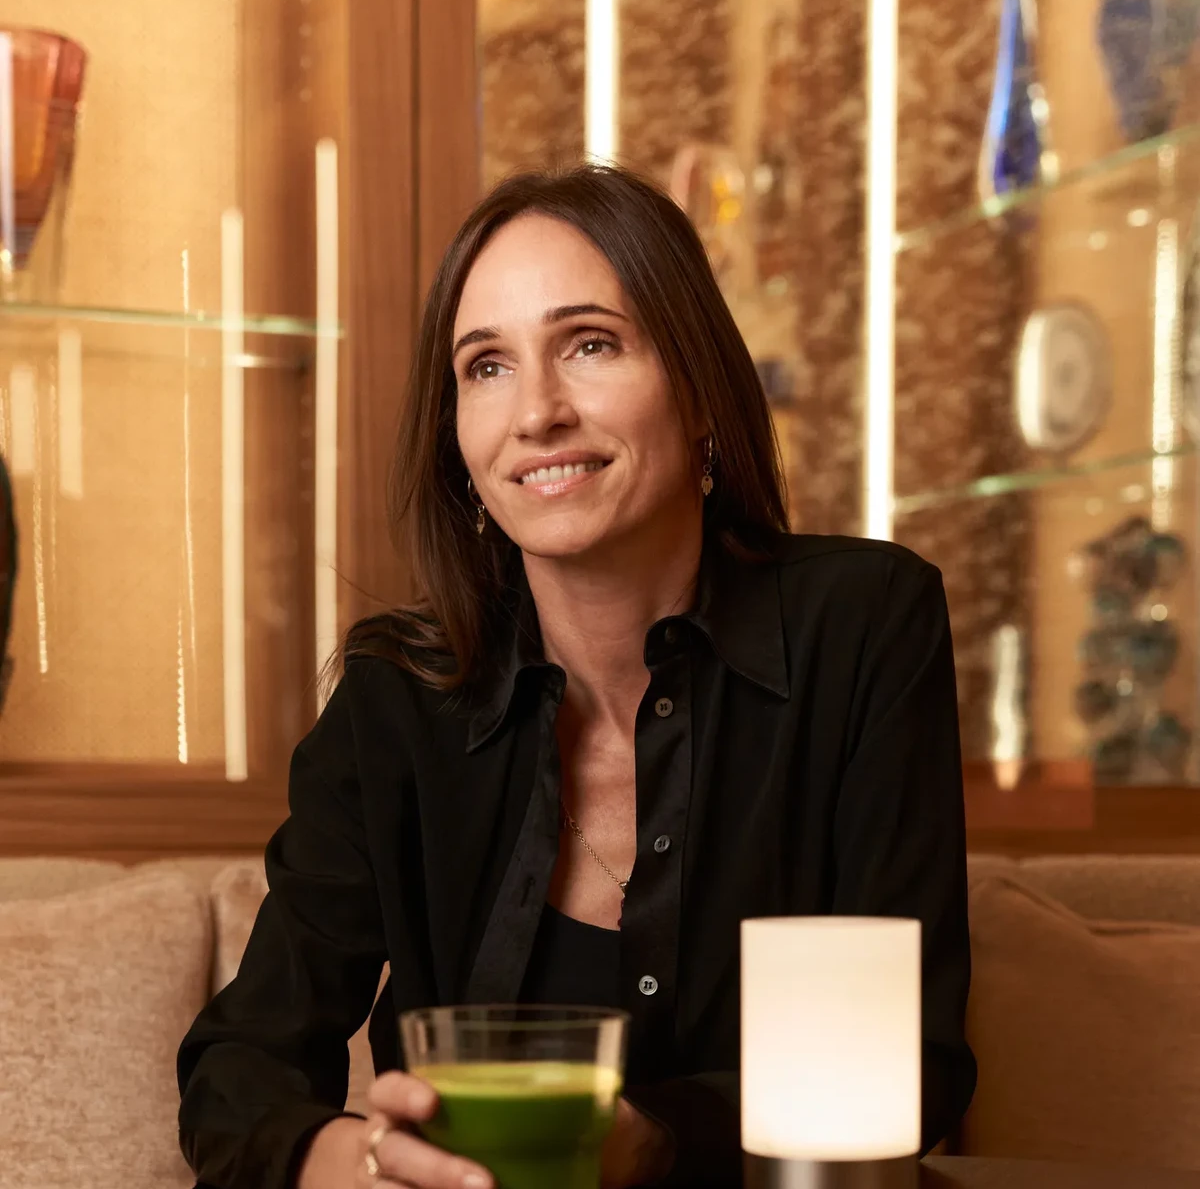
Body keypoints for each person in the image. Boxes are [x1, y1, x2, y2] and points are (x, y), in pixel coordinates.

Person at [177, 163, 976, 1189]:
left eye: (589, 344)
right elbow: (240, 1067)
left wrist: (650, 1140)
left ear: (697, 388)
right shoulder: (396, 697)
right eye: (487, 367)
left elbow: (914, 1062)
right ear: (459, 442)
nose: (537, 412)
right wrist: (365, 1159)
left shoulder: (861, 626)